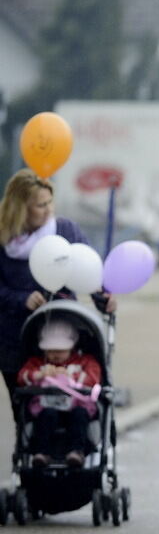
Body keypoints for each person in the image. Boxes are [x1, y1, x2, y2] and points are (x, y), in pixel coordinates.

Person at [0, 170, 115, 420]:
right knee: (24, 402)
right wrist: (22, 299)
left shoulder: (64, 230)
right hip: (14, 336)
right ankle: (31, 448)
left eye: (50, 202)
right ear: (21, 208)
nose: (48, 209)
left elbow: (89, 268)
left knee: (67, 399)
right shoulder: (3, 239)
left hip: (61, 331)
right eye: (40, 205)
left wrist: (104, 297)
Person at [17, 320, 102, 468]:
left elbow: (93, 379)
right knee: (45, 417)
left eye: (60, 350)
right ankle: (42, 452)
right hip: (47, 407)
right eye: (50, 350)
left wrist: (70, 377)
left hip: (75, 407)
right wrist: (38, 375)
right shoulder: (38, 363)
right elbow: (21, 377)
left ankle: (77, 451)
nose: (55, 355)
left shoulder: (84, 362)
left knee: (80, 416)